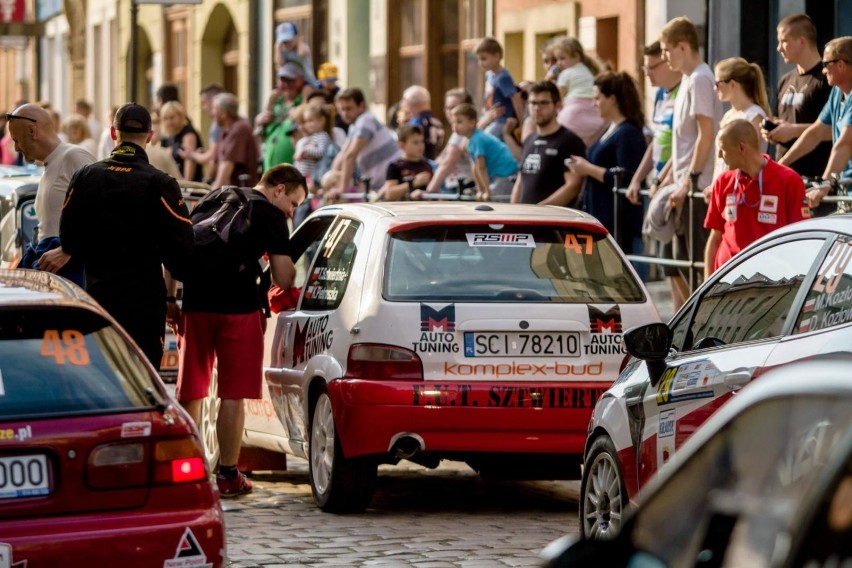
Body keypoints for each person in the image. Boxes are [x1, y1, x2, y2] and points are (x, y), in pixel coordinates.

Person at [174, 164, 306, 498]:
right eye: (293, 202)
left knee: (192, 389)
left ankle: (186, 471)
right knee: (232, 394)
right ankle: (229, 475)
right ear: (279, 189)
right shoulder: (272, 217)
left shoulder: (216, 195)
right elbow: (283, 278)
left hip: (195, 301)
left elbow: (176, 246)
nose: (292, 211)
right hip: (239, 308)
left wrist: (168, 297)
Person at [47, 103, 194, 371]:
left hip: (98, 300)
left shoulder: (86, 176)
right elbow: (183, 254)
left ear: (114, 134)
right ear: (150, 136)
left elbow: (69, 238)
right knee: (144, 379)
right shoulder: (161, 184)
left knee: (103, 378)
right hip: (144, 304)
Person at [657, 16, 724, 309]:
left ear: (682, 47)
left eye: (666, 50)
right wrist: (670, 173)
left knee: (694, 264)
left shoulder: (699, 79)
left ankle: (697, 325)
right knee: (673, 264)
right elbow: (685, 139)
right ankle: (683, 326)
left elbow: (706, 134)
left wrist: (689, 180)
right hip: (682, 184)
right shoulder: (688, 80)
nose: (664, 57)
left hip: (697, 187)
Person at [704, 119, 808, 278]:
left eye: (722, 150)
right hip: (725, 283)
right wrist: (706, 283)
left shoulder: (789, 180)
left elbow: (800, 239)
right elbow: (715, 238)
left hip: (771, 284)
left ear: (741, 147)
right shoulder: (723, 182)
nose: (719, 155)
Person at [6, 103, 96, 284]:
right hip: (54, 272)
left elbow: (104, 213)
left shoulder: (74, 156)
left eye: (17, 140)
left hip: (72, 276)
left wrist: (68, 250)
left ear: (32, 131)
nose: (16, 148)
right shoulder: (51, 164)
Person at [566, 72, 647, 254]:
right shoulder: (611, 128)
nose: (594, 104)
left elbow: (626, 177)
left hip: (618, 223)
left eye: (597, 98)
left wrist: (587, 168)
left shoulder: (628, 133)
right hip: (599, 215)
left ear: (612, 99)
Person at [764, 13, 833, 217]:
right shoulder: (785, 80)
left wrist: (792, 131)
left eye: (784, 41)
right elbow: (785, 121)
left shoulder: (826, 78)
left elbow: (835, 129)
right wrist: (773, 129)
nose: (778, 48)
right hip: (785, 178)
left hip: (815, 184)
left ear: (801, 41)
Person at [627, 41, 683, 282]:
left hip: (675, 182)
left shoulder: (684, 91)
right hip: (660, 181)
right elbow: (657, 142)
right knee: (668, 266)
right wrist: (637, 179)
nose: (647, 73)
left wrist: (663, 178)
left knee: (679, 263)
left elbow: (683, 144)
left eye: (652, 67)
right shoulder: (661, 94)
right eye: (644, 67)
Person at [779, 36, 852, 214]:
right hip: (846, 191)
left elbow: (845, 143)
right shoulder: (837, 93)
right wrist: (780, 165)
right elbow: (815, 133)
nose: (823, 70)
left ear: (841, 65)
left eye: (826, 64)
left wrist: (826, 182)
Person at [510, 81, 585, 206]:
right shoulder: (529, 139)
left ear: (557, 106)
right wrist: (512, 213)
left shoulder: (570, 141)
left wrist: (540, 211)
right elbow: (520, 180)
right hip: (524, 219)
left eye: (543, 103)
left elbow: (573, 186)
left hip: (554, 221)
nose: (537, 108)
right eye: (533, 103)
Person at [330, 87, 400, 197]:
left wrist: (342, 189)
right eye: (341, 109)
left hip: (390, 185)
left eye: (348, 109)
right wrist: (331, 180)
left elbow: (350, 155)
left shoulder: (365, 120)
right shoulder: (355, 125)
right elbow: (343, 155)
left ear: (361, 106)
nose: (344, 114)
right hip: (381, 187)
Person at [710, 57, 770, 183]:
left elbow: (749, 158)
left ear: (732, 84)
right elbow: (719, 160)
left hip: (741, 188)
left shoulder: (755, 116)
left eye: (717, 84)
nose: (715, 88)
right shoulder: (728, 115)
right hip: (722, 186)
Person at [450, 102, 518, 202]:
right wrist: (480, 189)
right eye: (453, 122)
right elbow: (475, 167)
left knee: (497, 204)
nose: (455, 126)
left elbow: (481, 167)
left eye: (459, 122)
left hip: (508, 173)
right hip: (500, 175)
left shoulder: (478, 140)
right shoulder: (471, 141)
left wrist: (486, 191)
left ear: (472, 122)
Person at [550, 36, 608, 147]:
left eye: (562, 58)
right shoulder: (587, 71)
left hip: (574, 110)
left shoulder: (566, 73)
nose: (558, 63)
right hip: (592, 110)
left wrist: (549, 78)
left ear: (576, 57)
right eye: (557, 59)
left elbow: (556, 96)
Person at [256, 62, 309, 172]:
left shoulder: (303, 102)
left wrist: (306, 96)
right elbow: (260, 135)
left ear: (301, 81)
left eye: (291, 80)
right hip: (269, 169)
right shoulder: (276, 103)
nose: (286, 85)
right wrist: (259, 120)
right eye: (283, 80)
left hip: (293, 170)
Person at [425, 88, 475, 194]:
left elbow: (449, 162)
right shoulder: (457, 131)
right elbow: (441, 160)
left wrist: (430, 190)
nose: (451, 112)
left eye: (455, 107)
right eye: (447, 108)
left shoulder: (462, 131)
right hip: (456, 185)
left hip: (463, 187)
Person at [475, 37, 525, 140]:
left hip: (501, 120)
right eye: (479, 59)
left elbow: (515, 98)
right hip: (490, 118)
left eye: (484, 59)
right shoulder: (489, 75)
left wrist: (521, 121)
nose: (480, 63)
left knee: (486, 140)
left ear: (497, 56)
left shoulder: (503, 77)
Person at [211, 92, 259, 189]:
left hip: (242, 197)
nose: (212, 113)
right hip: (233, 193)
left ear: (224, 113)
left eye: (214, 109)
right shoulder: (227, 129)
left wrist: (210, 195)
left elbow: (226, 167)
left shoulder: (239, 129)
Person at [378, 124, 433, 201]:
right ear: (402, 145)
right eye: (415, 142)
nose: (420, 146)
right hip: (402, 210)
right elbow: (389, 193)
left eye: (422, 141)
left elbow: (434, 192)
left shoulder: (427, 165)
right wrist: (414, 183)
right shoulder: (396, 166)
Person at [189, 83, 225, 183]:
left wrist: (192, 155)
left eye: (204, 103)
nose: (203, 107)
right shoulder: (219, 123)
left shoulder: (218, 124)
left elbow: (213, 156)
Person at [161, 100, 203, 182]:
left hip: (188, 185)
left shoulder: (188, 133)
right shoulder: (167, 137)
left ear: (180, 116)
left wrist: (186, 182)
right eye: (165, 118)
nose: (169, 122)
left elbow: (190, 159)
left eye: (172, 117)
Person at [399, 85, 445, 160]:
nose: (405, 107)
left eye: (406, 103)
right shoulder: (437, 122)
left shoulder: (415, 123)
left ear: (414, 105)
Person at [293, 103, 332, 186]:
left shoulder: (322, 136)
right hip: (304, 176)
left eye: (310, 121)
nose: (307, 125)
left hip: (312, 176)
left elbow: (321, 152)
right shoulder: (313, 137)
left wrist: (304, 150)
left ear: (322, 121)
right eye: (306, 121)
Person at [274, 21, 317, 87]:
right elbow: (280, 62)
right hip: (288, 82)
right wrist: (277, 49)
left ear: (296, 37)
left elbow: (301, 54)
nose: (287, 44)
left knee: (307, 91)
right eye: (284, 42)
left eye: (289, 40)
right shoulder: (283, 51)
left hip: (306, 81)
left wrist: (300, 41)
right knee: (274, 94)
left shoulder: (303, 47)